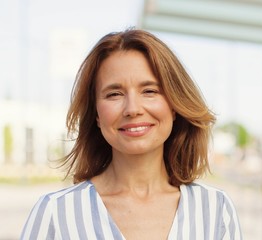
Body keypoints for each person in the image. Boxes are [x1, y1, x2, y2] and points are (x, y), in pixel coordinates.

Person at [21, 29, 242, 240]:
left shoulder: (215, 209)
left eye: (149, 91)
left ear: (174, 105)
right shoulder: (57, 214)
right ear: (96, 114)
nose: (133, 109)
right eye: (114, 94)